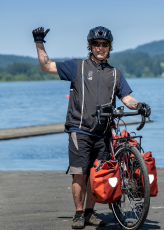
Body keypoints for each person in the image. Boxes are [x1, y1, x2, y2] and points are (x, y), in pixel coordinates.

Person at [32, 26, 151, 229]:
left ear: (109, 47)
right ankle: (79, 213)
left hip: (103, 132)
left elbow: (126, 98)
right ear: (90, 46)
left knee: (96, 173)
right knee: (80, 173)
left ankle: (89, 212)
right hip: (80, 129)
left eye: (104, 44)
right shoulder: (77, 67)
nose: (100, 47)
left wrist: (139, 105)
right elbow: (47, 66)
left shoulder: (115, 74)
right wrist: (39, 42)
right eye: (96, 44)